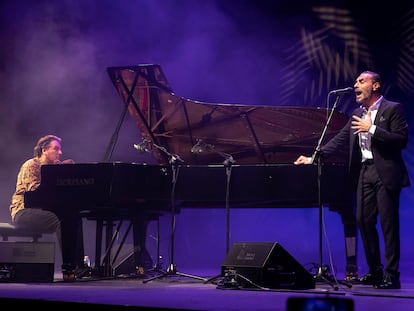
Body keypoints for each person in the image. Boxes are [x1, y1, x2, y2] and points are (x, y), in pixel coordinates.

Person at [294, 71, 410, 289]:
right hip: (363, 173)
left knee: (388, 225)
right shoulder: (357, 112)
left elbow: (401, 140)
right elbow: (340, 140)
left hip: (385, 171)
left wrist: (372, 129)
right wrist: (313, 158)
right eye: (356, 81)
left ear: (375, 86)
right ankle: (375, 271)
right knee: (364, 221)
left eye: (361, 81)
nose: (355, 84)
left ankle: (392, 275)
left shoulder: (392, 109)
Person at [9, 134, 87, 281]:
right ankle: (68, 267)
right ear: (44, 150)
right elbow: (35, 193)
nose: (60, 153)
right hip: (23, 211)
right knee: (59, 221)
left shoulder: (53, 169)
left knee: (75, 217)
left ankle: (79, 266)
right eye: (56, 149)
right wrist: (60, 171)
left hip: (42, 210)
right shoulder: (31, 165)